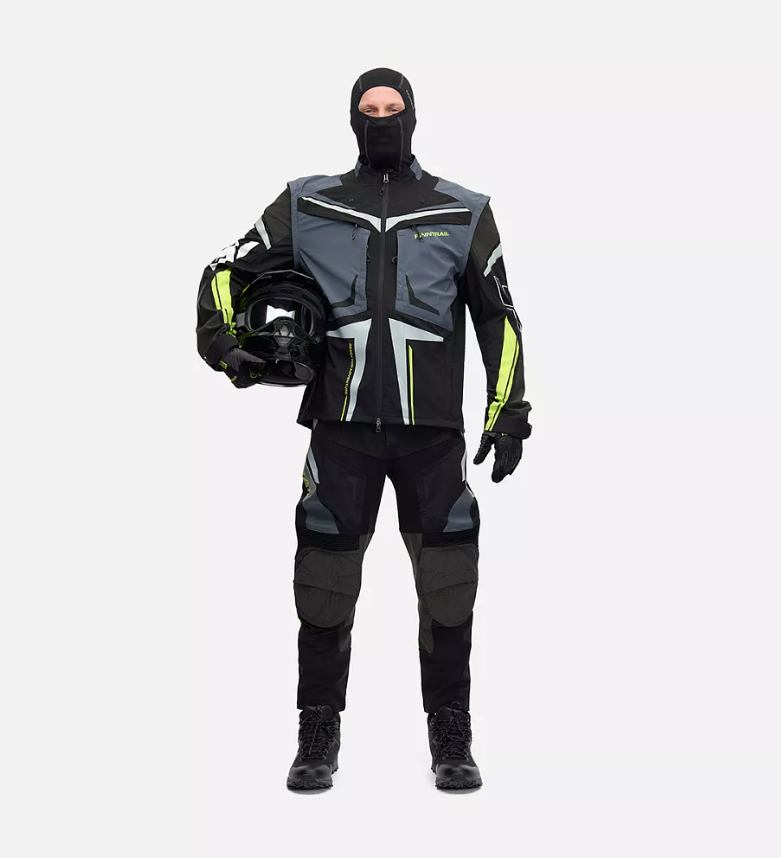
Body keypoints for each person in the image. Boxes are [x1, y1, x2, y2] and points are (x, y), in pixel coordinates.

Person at [195, 67, 531, 791]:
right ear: (353, 119)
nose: (382, 118)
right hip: (339, 430)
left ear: (413, 115)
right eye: (370, 108)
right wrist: (229, 347)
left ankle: (451, 735)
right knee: (322, 584)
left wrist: (508, 409)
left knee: (449, 586)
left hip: (431, 436)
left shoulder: (464, 209)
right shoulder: (308, 202)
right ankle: (316, 735)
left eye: (393, 107)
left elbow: (498, 317)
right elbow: (227, 271)